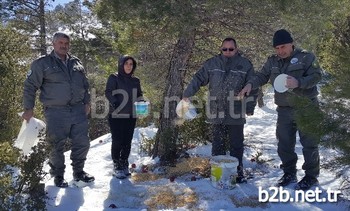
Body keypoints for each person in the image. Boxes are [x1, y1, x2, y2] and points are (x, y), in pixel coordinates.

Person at [239, 29, 322, 190]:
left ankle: (311, 176)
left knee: (309, 144)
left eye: (283, 47)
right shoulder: (273, 61)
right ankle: (289, 172)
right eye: (277, 48)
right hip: (284, 110)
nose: (280, 51)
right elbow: (262, 76)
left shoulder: (306, 57)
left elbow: (317, 76)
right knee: (284, 144)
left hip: (306, 107)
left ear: (291, 43)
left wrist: (298, 82)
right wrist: (250, 84)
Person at [22, 32, 94, 188]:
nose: (64, 45)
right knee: (56, 145)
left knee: (83, 142)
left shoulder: (76, 62)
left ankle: (79, 172)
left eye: (66, 43)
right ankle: (58, 176)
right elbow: (30, 86)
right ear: (53, 44)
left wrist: (87, 102)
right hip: (56, 112)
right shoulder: (43, 63)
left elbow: (85, 85)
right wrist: (28, 108)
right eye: (60, 42)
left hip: (77, 110)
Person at [182, 37, 257, 183]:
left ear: (237, 49)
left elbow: (253, 86)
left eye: (231, 49)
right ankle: (217, 174)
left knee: (236, 145)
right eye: (225, 49)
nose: (227, 52)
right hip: (216, 110)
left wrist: (249, 107)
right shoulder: (212, 63)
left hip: (236, 110)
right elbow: (198, 78)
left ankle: (237, 174)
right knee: (218, 144)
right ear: (221, 49)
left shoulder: (245, 64)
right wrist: (187, 94)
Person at [105, 55, 143, 179]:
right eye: (126, 63)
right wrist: (115, 102)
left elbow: (139, 94)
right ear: (121, 64)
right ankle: (116, 164)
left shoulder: (135, 80)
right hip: (116, 114)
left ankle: (124, 162)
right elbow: (108, 91)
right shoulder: (114, 77)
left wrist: (142, 102)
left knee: (127, 140)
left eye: (131, 64)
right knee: (117, 140)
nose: (128, 66)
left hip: (131, 115)